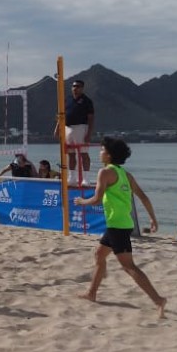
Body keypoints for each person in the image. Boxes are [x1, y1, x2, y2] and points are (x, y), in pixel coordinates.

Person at [73, 136, 167, 319]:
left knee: (129, 267)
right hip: (119, 225)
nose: (99, 153)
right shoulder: (126, 175)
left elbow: (97, 199)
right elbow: (143, 197)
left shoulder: (105, 172)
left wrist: (82, 201)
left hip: (117, 226)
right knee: (99, 255)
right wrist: (153, 219)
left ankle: (158, 300)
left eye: (101, 150)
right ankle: (91, 293)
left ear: (108, 155)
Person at [53, 78, 95, 185]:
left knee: (83, 153)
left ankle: (86, 178)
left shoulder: (87, 101)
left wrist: (89, 134)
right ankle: (72, 177)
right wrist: (57, 128)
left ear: (82, 88)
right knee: (70, 153)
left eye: (77, 86)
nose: (75, 88)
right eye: (73, 86)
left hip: (81, 127)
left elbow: (91, 118)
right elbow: (61, 115)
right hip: (68, 128)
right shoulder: (67, 99)